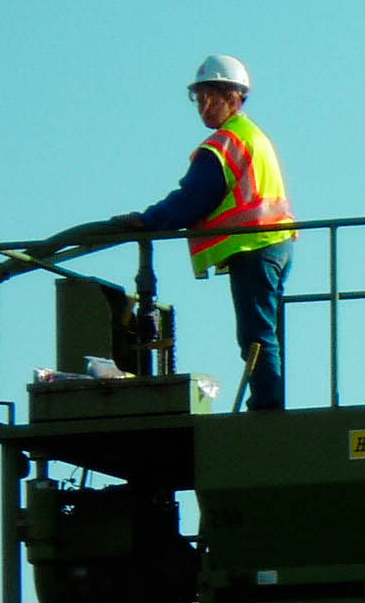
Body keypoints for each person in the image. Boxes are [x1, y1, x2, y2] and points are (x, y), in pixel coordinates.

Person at [113, 54, 296, 411]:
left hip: (255, 245)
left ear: (233, 96)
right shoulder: (251, 136)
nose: (203, 106)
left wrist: (149, 220)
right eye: (198, 98)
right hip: (274, 244)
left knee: (256, 335)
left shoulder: (225, 144)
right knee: (266, 332)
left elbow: (194, 197)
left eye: (209, 97)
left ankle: (268, 406)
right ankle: (270, 400)